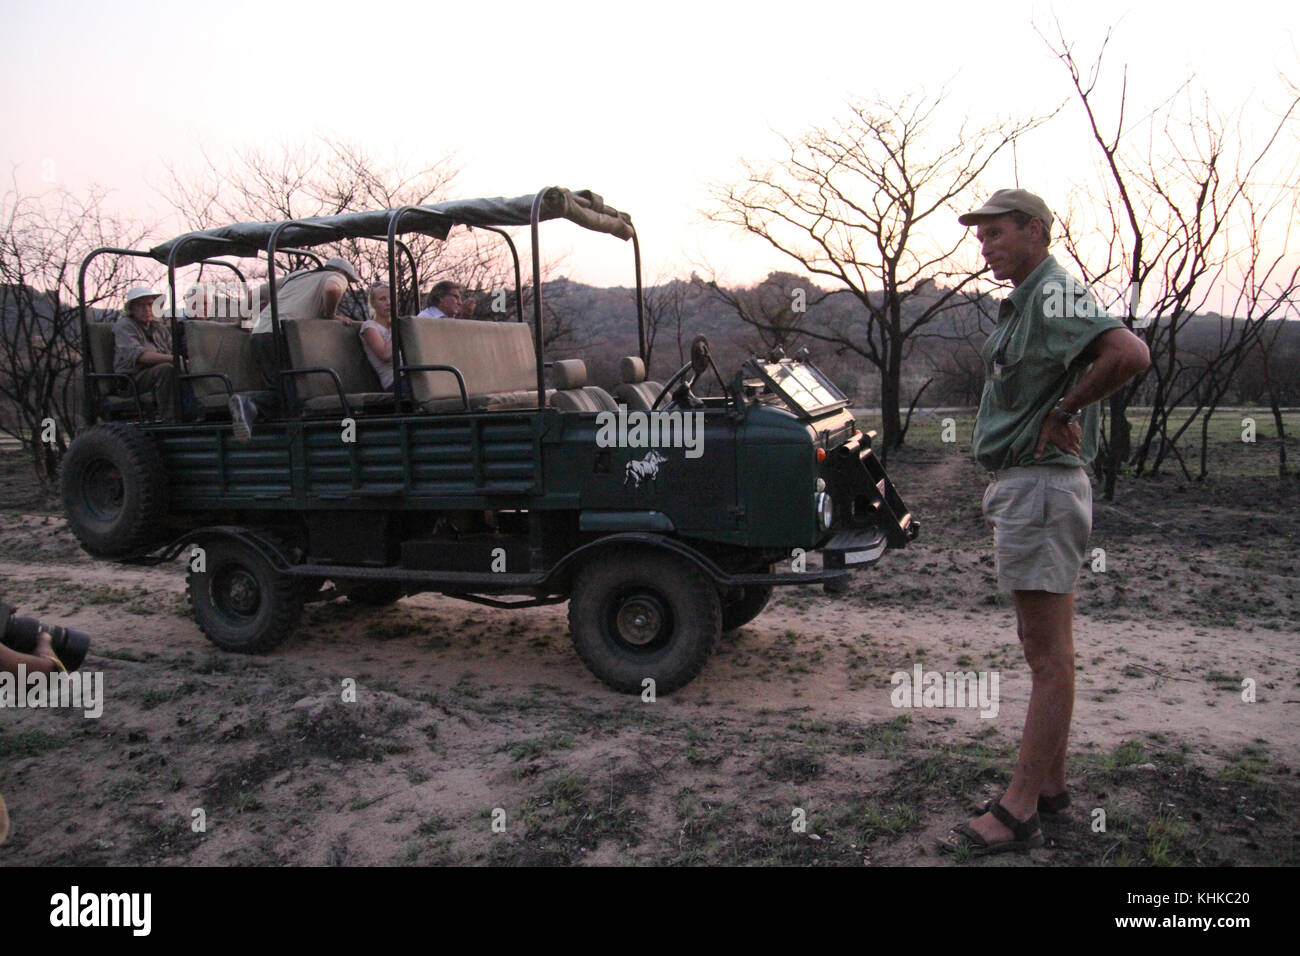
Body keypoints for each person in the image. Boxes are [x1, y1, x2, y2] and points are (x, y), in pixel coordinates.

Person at [943, 188, 1150, 855]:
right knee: (1047, 650)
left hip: (1040, 488)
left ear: (1034, 231)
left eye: (995, 232)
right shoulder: (1031, 299)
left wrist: (1066, 410)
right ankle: (1052, 785)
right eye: (979, 235)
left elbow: (1129, 353)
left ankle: (1020, 808)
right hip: (1029, 488)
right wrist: (1063, 402)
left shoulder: (1053, 293)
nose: (984, 244)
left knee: (1047, 656)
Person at [232, 256, 360, 441]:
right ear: (342, 273)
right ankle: (251, 404)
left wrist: (241, 322)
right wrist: (330, 315)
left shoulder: (296, 276)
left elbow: (253, 295)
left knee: (279, 388)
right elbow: (332, 288)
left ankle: (251, 408)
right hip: (286, 336)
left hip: (260, 334)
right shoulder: (335, 276)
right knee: (294, 394)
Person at [113, 286, 181, 420]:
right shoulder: (125, 326)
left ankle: (195, 411)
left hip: (153, 375)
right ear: (131, 308)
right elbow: (141, 356)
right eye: (140, 305)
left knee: (185, 368)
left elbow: (174, 350)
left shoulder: (159, 328)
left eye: (150, 304)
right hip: (131, 380)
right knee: (167, 369)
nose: (146, 309)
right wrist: (173, 359)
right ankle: (171, 420)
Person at [360, 282, 396, 389]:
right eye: (382, 299)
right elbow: (385, 355)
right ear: (373, 303)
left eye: (391, 298)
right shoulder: (369, 327)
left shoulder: (396, 324)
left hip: (414, 374)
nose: (389, 303)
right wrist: (397, 330)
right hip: (394, 380)